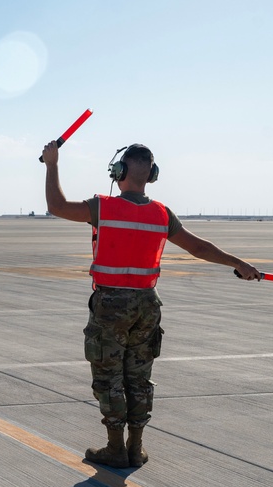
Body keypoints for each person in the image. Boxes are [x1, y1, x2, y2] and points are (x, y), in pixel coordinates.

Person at [41, 140, 261, 468]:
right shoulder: (162, 214)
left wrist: (52, 164)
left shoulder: (103, 207)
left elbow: (57, 206)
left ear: (119, 172)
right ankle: (136, 447)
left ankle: (115, 448)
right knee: (139, 377)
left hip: (111, 305)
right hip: (147, 306)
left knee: (109, 376)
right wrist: (239, 263)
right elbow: (199, 248)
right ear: (152, 174)